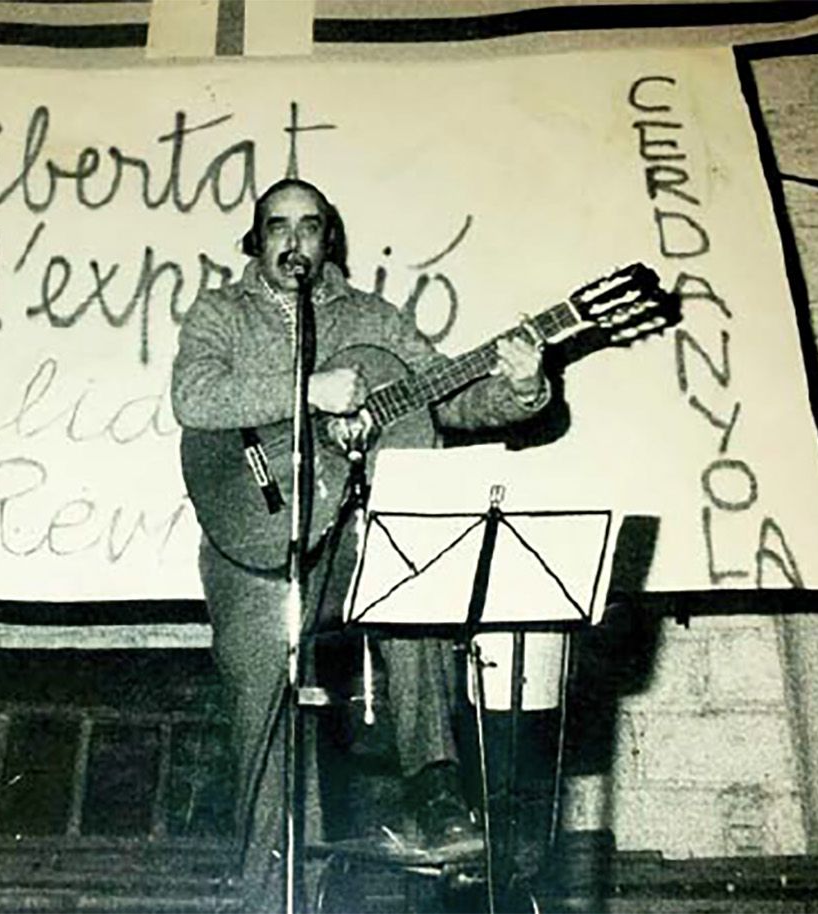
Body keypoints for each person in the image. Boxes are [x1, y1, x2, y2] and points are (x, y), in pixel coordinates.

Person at [171, 178, 550, 912]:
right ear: (256, 240)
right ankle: (276, 894)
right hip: (252, 537)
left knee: (417, 596)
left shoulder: (373, 316)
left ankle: (435, 795)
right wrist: (308, 390)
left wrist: (521, 387)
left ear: (327, 241)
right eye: (276, 225)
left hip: (352, 531)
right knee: (262, 698)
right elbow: (196, 396)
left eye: (309, 227)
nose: (293, 241)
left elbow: (447, 396)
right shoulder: (220, 311)